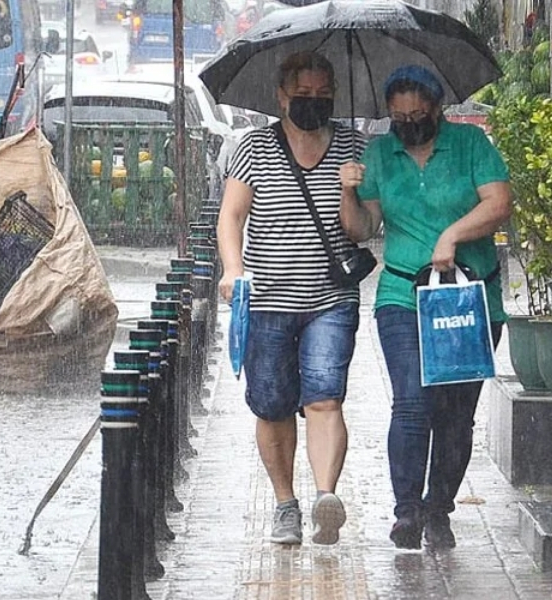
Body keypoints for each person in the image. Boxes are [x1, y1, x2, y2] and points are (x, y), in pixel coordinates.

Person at [338, 65, 512, 550]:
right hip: (402, 297)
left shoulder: (471, 147)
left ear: (437, 108)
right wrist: (348, 190)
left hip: (467, 299)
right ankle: (407, 511)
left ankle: (440, 508)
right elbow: (362, 228)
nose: (409, 123)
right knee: (412, 402)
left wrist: (452, 234)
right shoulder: (379, 153)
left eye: (417, 114)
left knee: (455, 413)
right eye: (398, 116)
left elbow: (499, 202)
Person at [217, 51, 367, 546]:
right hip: (267, 301)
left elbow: (364, 228)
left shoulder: (353, 145)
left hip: (331, 299)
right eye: (303, 96)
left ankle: (327, 497)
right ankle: (285, 503)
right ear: (281, 96)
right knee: (273, 405)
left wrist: (350, 190)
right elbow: (232, 217)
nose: (313, 103)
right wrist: (234, 271)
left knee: (325, 397)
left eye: (323, 96)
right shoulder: (254, 147)